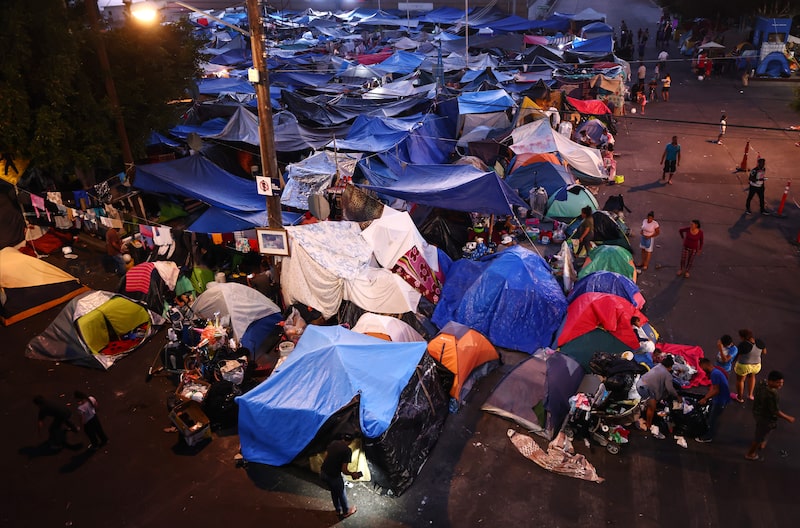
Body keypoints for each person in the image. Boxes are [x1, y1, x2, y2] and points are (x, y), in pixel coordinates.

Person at [745, 371, 795, 460]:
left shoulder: (761, 383)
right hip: (765, 417)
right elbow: (775, 411)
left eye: (781, 382)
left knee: (762, 429)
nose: (780, 385)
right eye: (778, 383)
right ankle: (750, 454)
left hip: (757, 412)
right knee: (759, 437)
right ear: (771, 381)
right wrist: (788, 418)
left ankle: (762, 441)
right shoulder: (772, 394)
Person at [636, 355, 683, 439]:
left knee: (651, 402)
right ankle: (648, 424)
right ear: (669, 367)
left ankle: (645, 411)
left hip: (640, 383)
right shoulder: (667, 374)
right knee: (652, 407)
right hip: (645, 388)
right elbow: (670, 389)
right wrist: (677, 396)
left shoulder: (659, 366)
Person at [320, 433, 361, 520]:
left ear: (342, 438)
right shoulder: (347, 450)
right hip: (334, 476)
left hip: (323, 473)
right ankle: (346, 512)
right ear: (350, 441)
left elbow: (326, 457)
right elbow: (344, 470)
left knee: (334, 492)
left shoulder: (334, 443)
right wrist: (353, 474)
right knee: (341, 493)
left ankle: (337, 510)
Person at [696, 358, 731, 442]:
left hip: (720, 400)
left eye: (702, 367)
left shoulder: (714, 374)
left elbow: (716, 390)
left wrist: (705, 398)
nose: (702, 370)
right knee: (712, 415)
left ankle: (708, 436)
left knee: (713, 419)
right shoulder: (717, 372)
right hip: (720, 398)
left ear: (705, 365)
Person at [734, 328, 766, 403]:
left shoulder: (743, 344)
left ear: (743, 337)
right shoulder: (759, 342)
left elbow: (737, 355)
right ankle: (751, 395)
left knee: (740, 380)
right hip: (756, 365)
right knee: (752, 377)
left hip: (744, 366)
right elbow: (764, 352)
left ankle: (739, 398)